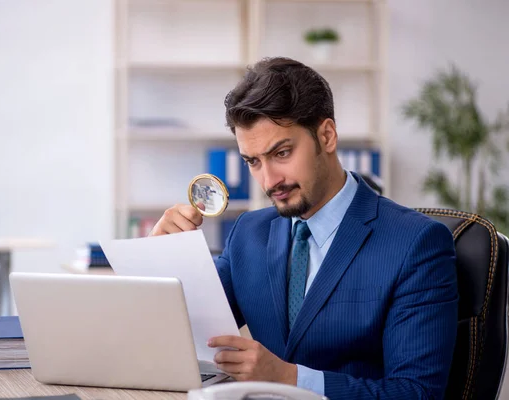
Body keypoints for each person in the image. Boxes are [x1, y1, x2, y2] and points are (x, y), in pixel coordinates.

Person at [149, 57, 458, 400]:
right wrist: (161, 257)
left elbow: (417, 393)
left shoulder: (416, 244)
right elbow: (180, 331)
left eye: (281, 153)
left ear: (326, 136)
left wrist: (288, 377)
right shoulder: (248, 234)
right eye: (253, 161)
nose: (269, 181)